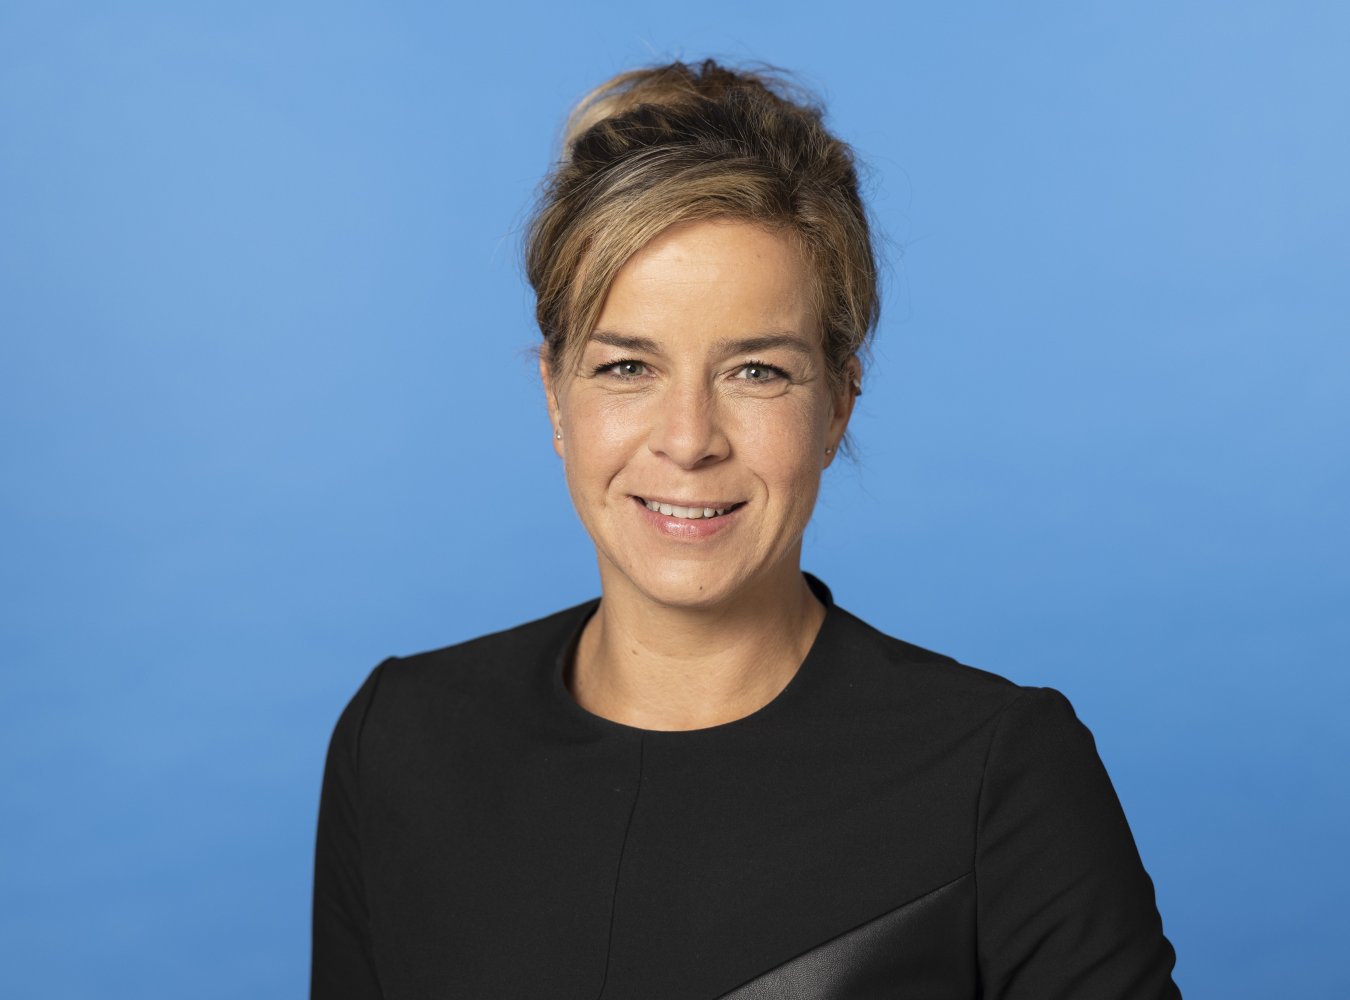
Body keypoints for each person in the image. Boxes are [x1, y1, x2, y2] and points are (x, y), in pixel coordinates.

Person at [311, 59, 1181, 999]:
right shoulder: (399, 740)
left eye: (756, 371)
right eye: (627, 368)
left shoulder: (999, 776)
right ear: (555, 396)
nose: (689, 441)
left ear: (838, 403)